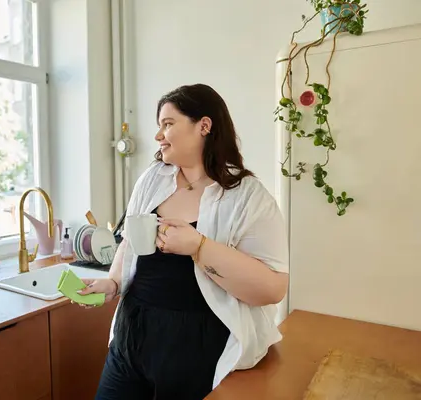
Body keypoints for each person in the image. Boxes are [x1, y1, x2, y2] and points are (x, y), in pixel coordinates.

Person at [77, 83, 289, 400]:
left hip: (199, 346)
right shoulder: (152, 178)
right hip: (132, 335)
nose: (158, 136)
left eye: (168, 124)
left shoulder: (248, 197)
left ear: (203, 126)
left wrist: (198, 247)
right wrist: (113, 283)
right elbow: (129, 243)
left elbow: (272, 289)